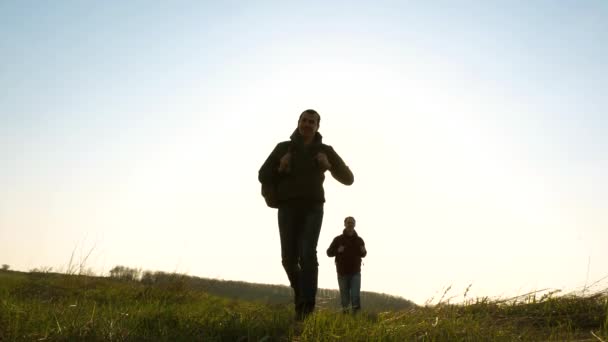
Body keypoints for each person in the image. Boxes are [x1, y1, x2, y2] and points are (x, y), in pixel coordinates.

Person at [258, 109, 354, 320]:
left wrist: (327, 166)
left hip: (313, 207)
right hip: (288, 207)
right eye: (304, 120)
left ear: (318, 126)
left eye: (312, 122)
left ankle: (306, 309)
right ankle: (302, 295)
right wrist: (281, 167)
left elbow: (349, 179)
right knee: (288, 258)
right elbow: (262, 174)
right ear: (298, 122)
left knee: (308, 254)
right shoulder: (283, 147)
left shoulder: (325, 150)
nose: (307, 124)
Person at [326, 216, 367, 313]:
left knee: (355, 296)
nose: (350, 224)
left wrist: (364, 251)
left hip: (355, 272)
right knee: (345, 299)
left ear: (355, 225)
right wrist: (337, 250)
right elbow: (328, 253)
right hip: (342, 272)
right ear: (344, 224)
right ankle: (346, 318)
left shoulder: (359, 240)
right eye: (348, 222)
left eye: (352, 222)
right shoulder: (338, 239)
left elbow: (363, 254)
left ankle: (356, 318)